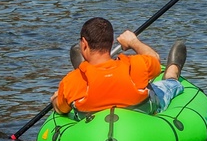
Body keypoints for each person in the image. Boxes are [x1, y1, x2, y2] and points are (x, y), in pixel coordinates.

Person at [52, 17, 187, 117]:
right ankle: (172, 73)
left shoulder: (70, 82)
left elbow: (61, 109)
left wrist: (56, 98)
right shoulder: (133, 66)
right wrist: (133, 42)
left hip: (89, 112)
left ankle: (84, 66)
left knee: (74, 94)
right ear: (111, 42)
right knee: (165, 86)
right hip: (140, 113)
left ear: (84, 44)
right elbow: (155, 60)